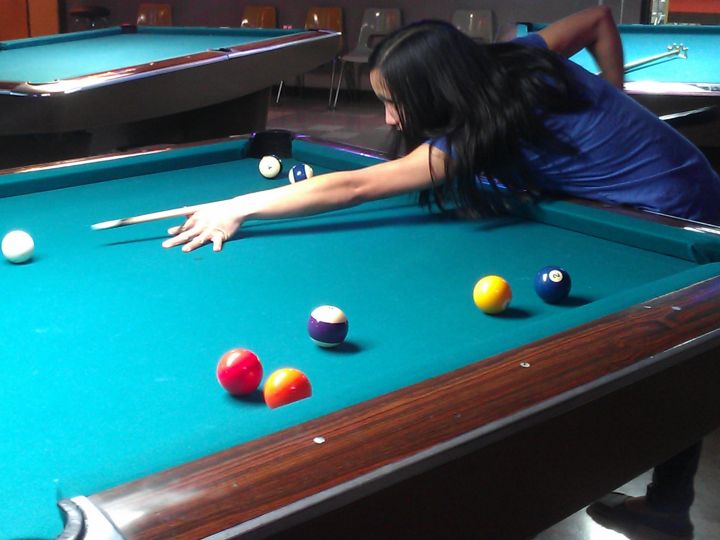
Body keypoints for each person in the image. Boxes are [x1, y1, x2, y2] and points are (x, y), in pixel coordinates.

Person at [163, 7, 717, 536]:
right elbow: (597, 20)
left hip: (673, 216)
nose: (388, 118)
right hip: (688, 174)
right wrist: (615, 101)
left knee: (668, 341)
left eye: (395, 103)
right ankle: (667, 508)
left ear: (436, 93)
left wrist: (238, 207)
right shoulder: (512, 57)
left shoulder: (465, 140)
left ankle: (663, 504)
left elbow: (356, 185)